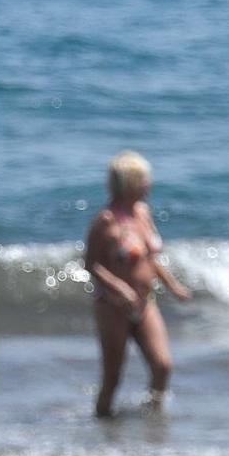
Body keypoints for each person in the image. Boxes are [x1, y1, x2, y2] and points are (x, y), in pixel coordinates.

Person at [83, 151, 190, 417]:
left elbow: (150, 258)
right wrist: (120, 288)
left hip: (145, 303)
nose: (150, 183)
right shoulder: (106, 221)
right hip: (112, 306)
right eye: (145, 178)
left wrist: (173, 285)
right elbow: (91, 264)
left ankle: (153, 416)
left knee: (163, 366)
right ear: (131, 182)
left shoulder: (143, 213)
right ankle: (102, 429)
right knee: (113, 378)